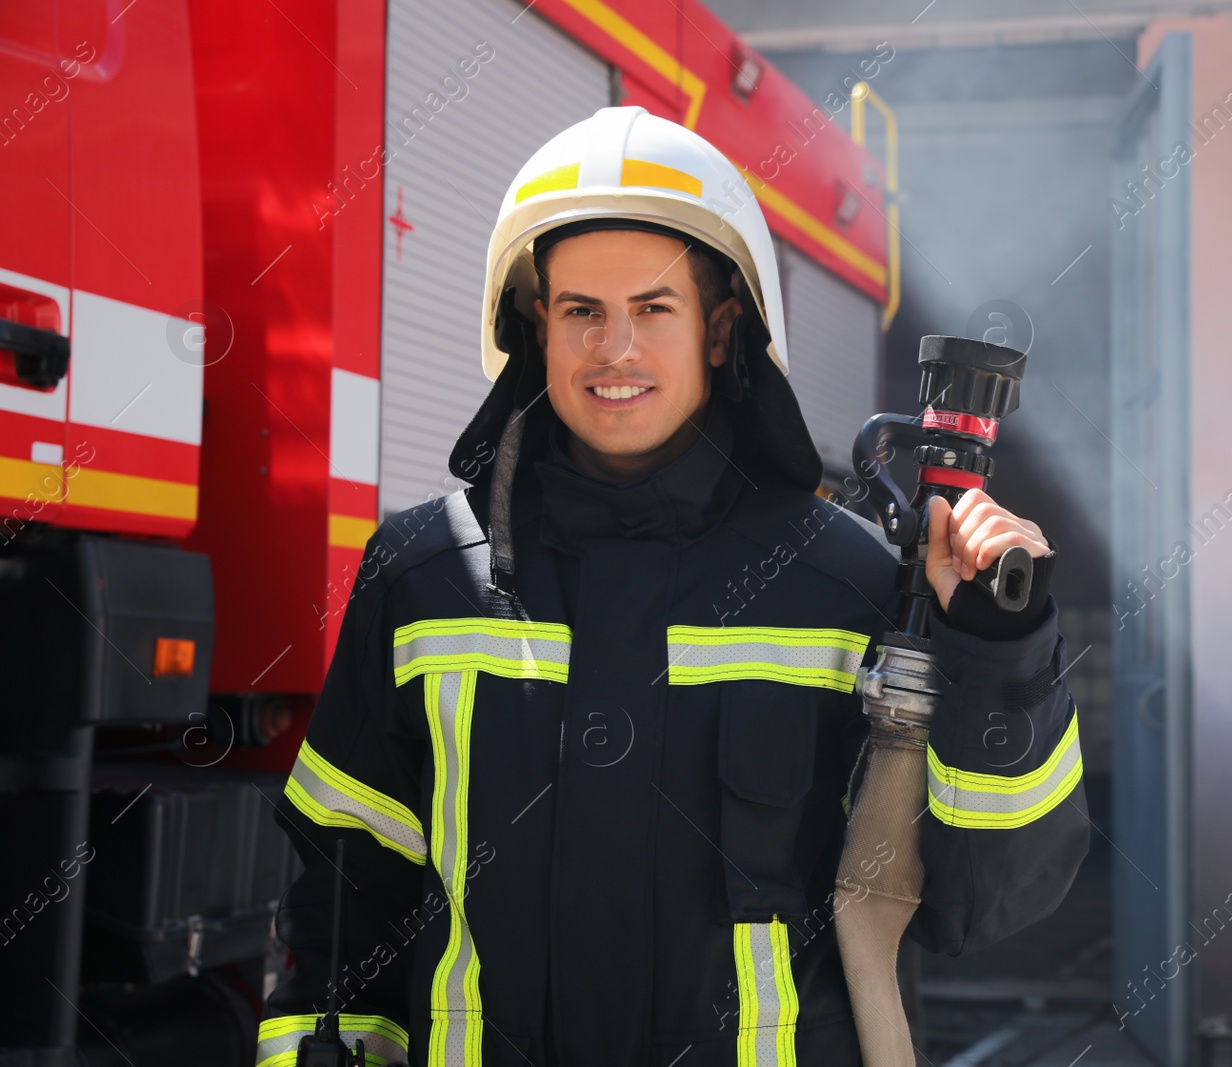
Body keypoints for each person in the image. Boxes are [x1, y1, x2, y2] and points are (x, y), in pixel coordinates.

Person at [256, 105, 1090, 1067]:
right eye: (582, 312)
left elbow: (983, 899)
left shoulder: (849, 583)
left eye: (654, 308)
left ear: (722, 329)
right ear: (534, 325)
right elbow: (344, 905)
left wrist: (996, 646)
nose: (616, 350)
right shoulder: (420, 576)